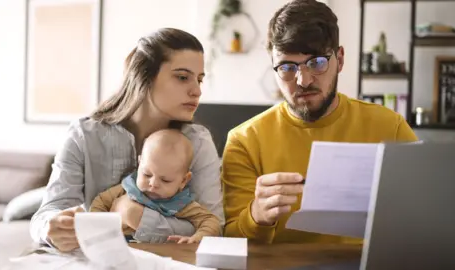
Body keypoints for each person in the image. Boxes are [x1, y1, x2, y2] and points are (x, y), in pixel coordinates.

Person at [221, 0, 418, 244]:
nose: (303, 80)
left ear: (341, 59)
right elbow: (229, 242)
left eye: (316, 63)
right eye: (287, 67)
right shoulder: (244, 141)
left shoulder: (391, 128)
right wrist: (257, 216)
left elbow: (425, 215)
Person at [30, 28, 224, 252]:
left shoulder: (198, 142)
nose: (197, 91)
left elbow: (214, 226)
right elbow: (47, 213)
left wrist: (139, 217)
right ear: (144, 77)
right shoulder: (84, 135)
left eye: (199, 79)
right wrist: (50, 228)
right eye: (182, 77)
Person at [89, 129, 221, 244]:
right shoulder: (128, 187)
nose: (153, 184)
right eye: (147, 174)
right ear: (139, 163)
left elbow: (211, 221)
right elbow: (100, 202)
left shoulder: (181, 203)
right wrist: (97, 230)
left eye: (165, 180)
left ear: (183, 180)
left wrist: (198, 238)